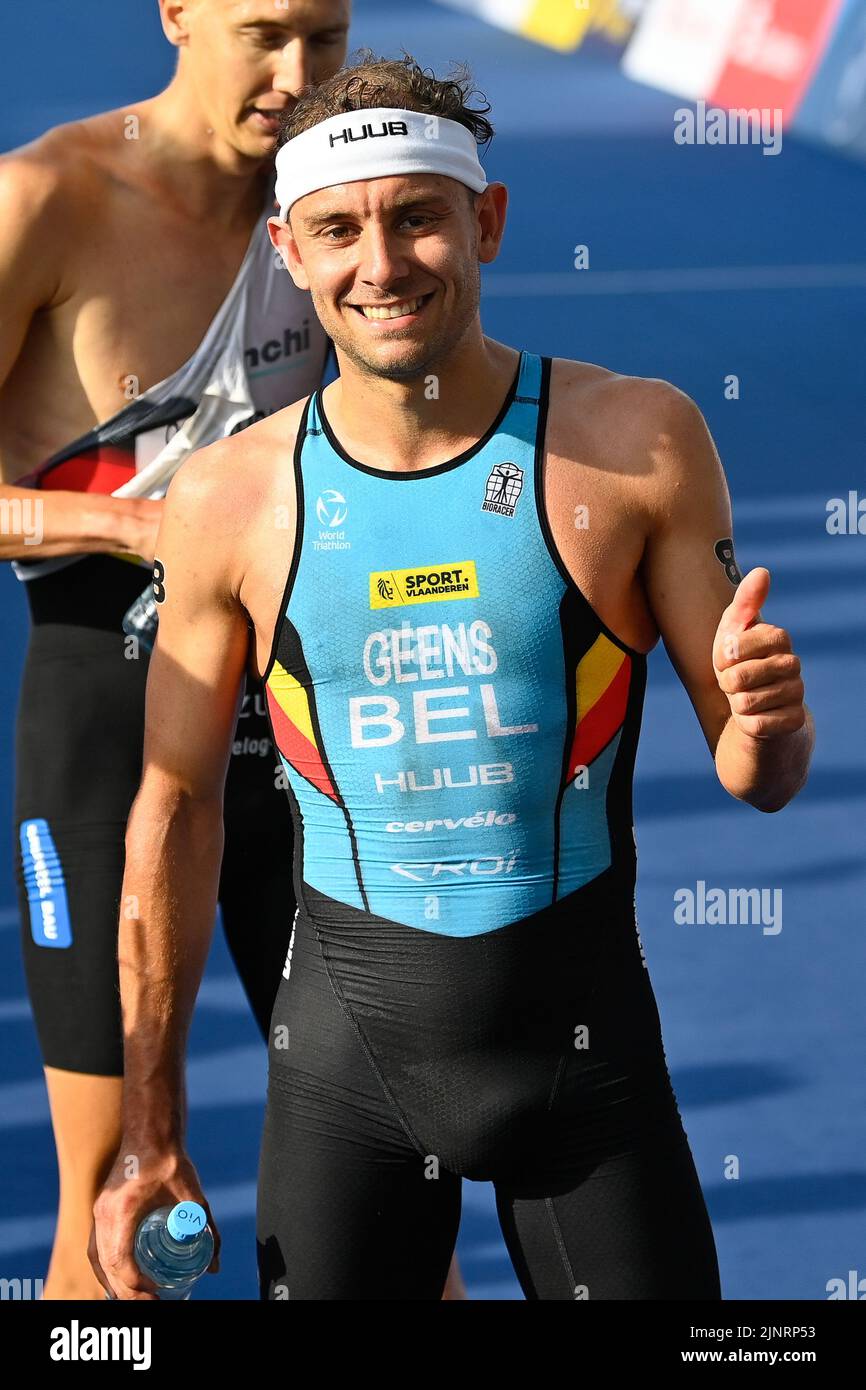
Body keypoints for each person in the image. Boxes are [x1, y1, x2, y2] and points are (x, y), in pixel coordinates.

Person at [90, 54, 814, 1301]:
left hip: (586, 1076)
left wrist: (765, 720)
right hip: (343, 1082)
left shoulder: (633, 442)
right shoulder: (230, 497)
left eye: (417, 215)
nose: (381, 264)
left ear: (483, 219)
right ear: (289, 251)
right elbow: (177, 808)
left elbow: (757, 778)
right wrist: (148, 1128)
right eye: (337, 230)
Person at [0, 0, 349, 1300]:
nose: (298, 73)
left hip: (303, 749)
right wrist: (147, 525)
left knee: (382, 1186)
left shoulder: (337, 198)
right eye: (263, 32)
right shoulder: (48, 194)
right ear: (178, 13)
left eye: (325, 32)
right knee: (118, 1225)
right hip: (104, 738)